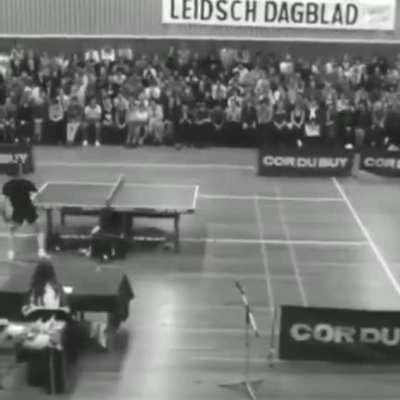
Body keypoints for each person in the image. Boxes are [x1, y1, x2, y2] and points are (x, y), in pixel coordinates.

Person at [1, 161, 49, 260]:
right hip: (28, 208)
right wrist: (41, 204)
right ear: (19, 172)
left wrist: (3, 214)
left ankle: (11, 252)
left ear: (8, 174)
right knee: (39, 228)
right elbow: (39, 195)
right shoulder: (27, 183)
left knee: (12, 230)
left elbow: (3, 201)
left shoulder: (7, 186)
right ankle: (41, 251)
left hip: (17, 210)